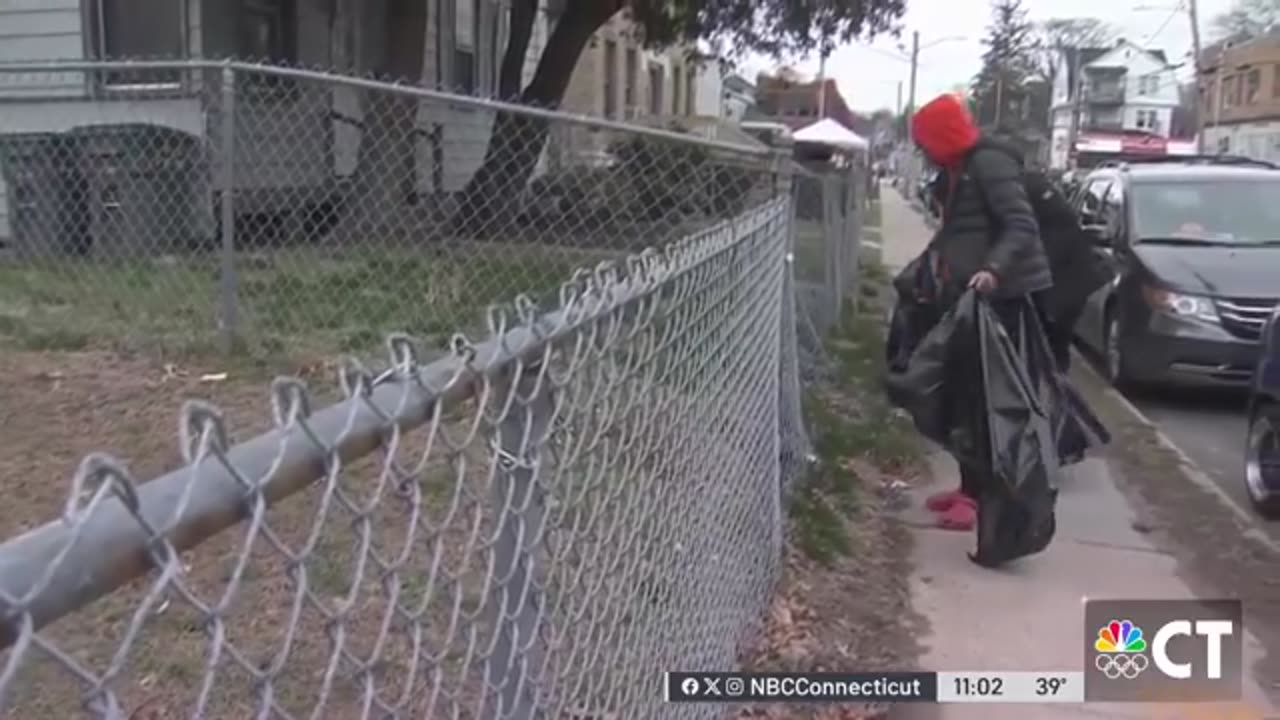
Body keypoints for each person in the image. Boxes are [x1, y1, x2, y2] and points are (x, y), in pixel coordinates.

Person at [907, 94, 1054, 532]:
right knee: (963, 396)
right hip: (971, 298)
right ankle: (968, 489)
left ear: (942, 136)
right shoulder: (959, 169)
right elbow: (962, 229)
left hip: (998, 301)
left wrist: (993, 269)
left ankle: (980, 499)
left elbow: (1021, 225)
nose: (923, 151)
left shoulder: (988, 165)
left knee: (985, 402)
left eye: (926, 141)